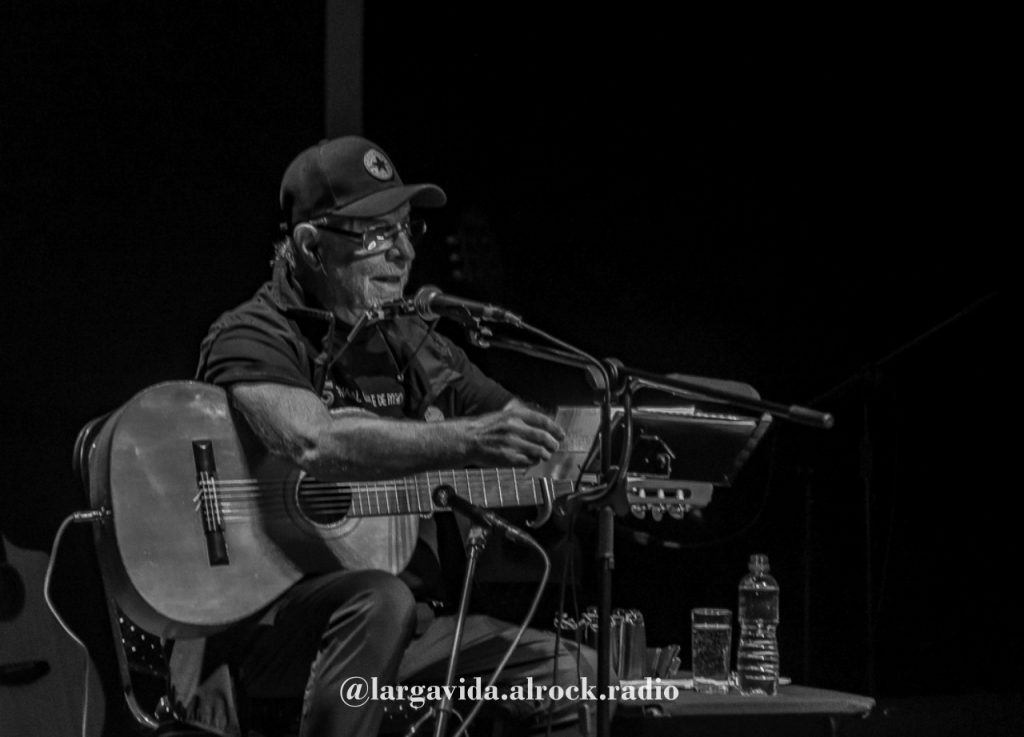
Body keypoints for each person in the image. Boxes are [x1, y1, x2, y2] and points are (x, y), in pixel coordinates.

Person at [168, 136, 609, 737]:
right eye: (377, 234)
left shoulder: (417, 346)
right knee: (379, 598)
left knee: (574, 677)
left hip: (413, 629)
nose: (403, 251)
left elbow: (525, 432)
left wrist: (585, 466)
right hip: (268, 625)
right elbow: (314, 443)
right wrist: (466, 440)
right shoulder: (253, 334)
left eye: (406, 228)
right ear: (311, 246)